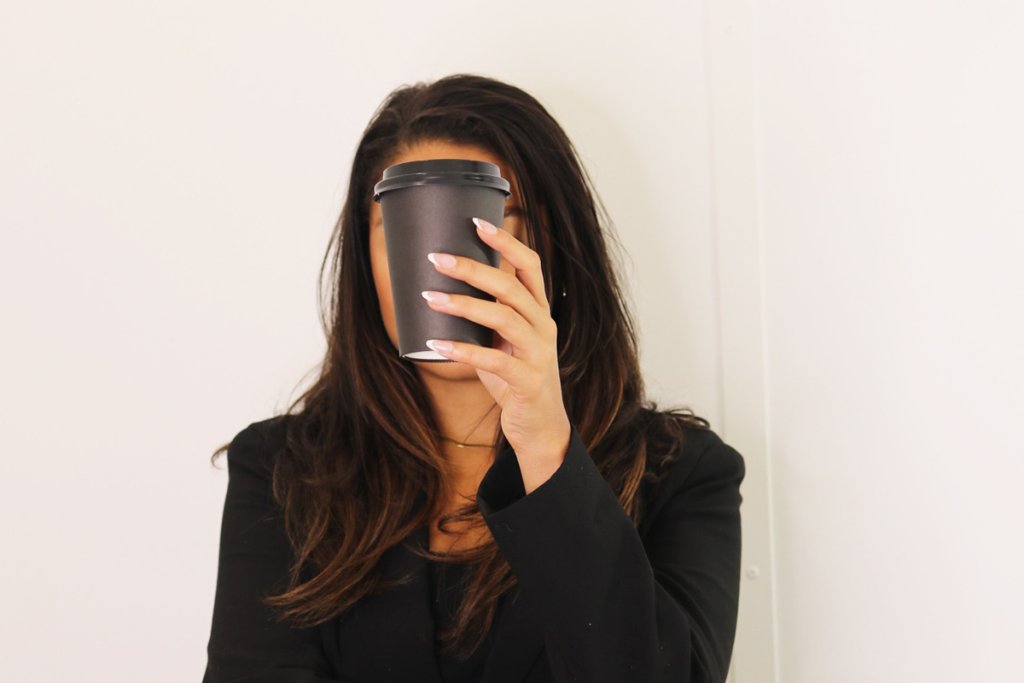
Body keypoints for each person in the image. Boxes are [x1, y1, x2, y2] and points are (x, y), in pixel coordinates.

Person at [202, 73, 746, 683]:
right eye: (406, 227)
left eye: (494, 218)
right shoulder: (282, 472)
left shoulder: (683, 475)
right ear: (367, 258)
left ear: (555, 249)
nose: (451, 265)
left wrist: (546, 449)